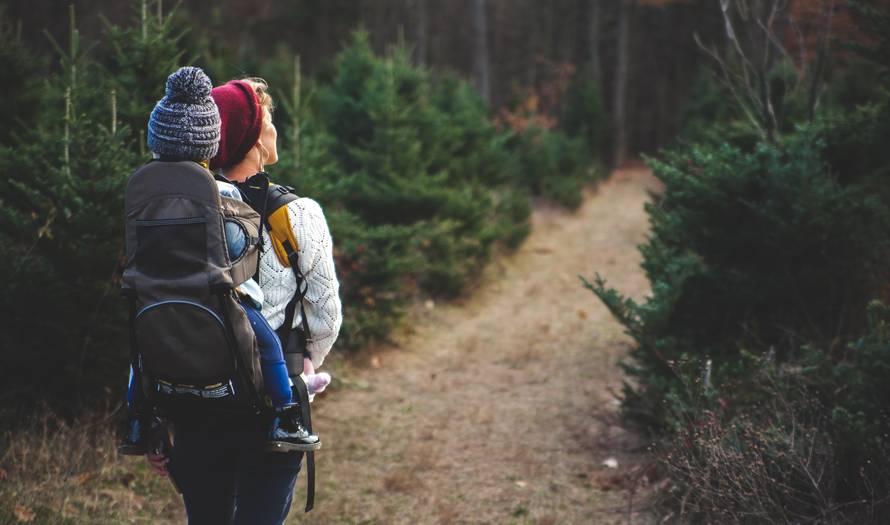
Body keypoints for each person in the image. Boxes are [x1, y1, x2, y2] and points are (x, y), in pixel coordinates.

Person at [147, 75, 342, 524]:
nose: (275, 127)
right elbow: (326, 317)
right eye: (269, 118)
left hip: (195, 402)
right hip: (270, 410)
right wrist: (305, 367)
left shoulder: (180, 213)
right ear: (254, 136)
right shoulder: (296, 214)